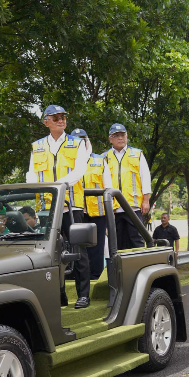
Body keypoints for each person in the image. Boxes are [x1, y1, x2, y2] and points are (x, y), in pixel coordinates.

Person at [26, 104, 91, 308]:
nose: (61, 120)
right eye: (55, 118)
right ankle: (58, 295)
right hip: (46, 207)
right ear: (46, 122)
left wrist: (58, 186)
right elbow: (31, 175)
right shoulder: (37, 146)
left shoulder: (76, 143)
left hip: (72, 205)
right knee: (50, 253)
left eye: (63, 117)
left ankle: (83, 295)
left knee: (78, 251)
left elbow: (79, 170)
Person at [70, 128, 113, 280]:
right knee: (77, 247)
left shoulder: (100, 160)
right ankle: (79, 277)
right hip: (76, 210)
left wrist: (110, 211)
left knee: (97, 246)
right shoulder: (67, 161)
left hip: (97, 211)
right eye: (77, 140)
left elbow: (108, 186)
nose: (81, 143)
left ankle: (95, 275)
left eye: (83, 139)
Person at [104, 123, 152, 250]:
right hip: (113, 208)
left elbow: (145, 177)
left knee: (136, 239)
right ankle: (120, 269)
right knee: (116, 242)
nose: (120, 138)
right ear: (110, 139)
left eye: (122, 135)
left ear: (127, 136)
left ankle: (140, 267)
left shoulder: (137, 154)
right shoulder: (104, 157)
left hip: (133, 206)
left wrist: (146, 200)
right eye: (116, 135)